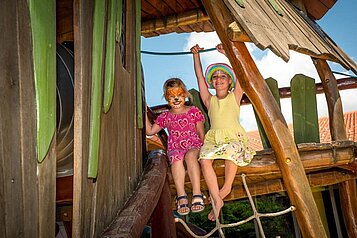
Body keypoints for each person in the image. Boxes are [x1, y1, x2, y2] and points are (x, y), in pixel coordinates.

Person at [190, 43, 256, 221]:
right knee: (204, 159)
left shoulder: (235, 96)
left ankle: (225, 189)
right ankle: (217, 199)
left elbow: (241, 74)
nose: (218, 79)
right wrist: (196, 56)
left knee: (230, 152)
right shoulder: (209, 100)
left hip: (233, 136)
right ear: (212, 82)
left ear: (229, 81)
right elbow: (199, 78)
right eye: (215, 77)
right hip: (214, 137)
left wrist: (228, 55)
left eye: (223, 76)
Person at [146, 78, 206, 216]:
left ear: (185, 95)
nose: (176, 99)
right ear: (167, 98)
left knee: (190, 156)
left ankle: (197, 193)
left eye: (179, 95)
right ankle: (181, 196)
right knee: (176, 158)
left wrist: (204, 149)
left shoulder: (193, 111)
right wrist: (144, 112)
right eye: (172, 96)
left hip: (194, 145)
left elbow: (200, 132)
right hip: (176, 148)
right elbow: (150, 131)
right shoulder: (166, 116)